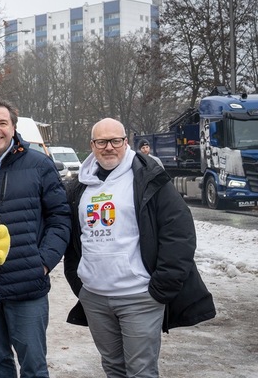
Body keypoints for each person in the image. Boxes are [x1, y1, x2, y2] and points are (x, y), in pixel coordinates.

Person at [64, 118, 216, 378]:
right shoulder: (79, 186)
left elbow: (179, 232)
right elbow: (71, 237)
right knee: (113, 368)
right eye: (102, 141)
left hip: (139, 297)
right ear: (92, 145)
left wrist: (161, 287)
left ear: (126, 142)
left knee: (140, 371)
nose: (109, 147)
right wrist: (80, 283)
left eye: (116, 141)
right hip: (95, 297)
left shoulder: (149, 179)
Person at [0, 98, 71, 378]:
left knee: (34, 366)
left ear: (14, 127)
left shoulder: (39, 164)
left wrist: (43, 263)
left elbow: (60, 218)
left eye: (2, 123)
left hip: (27, 283)